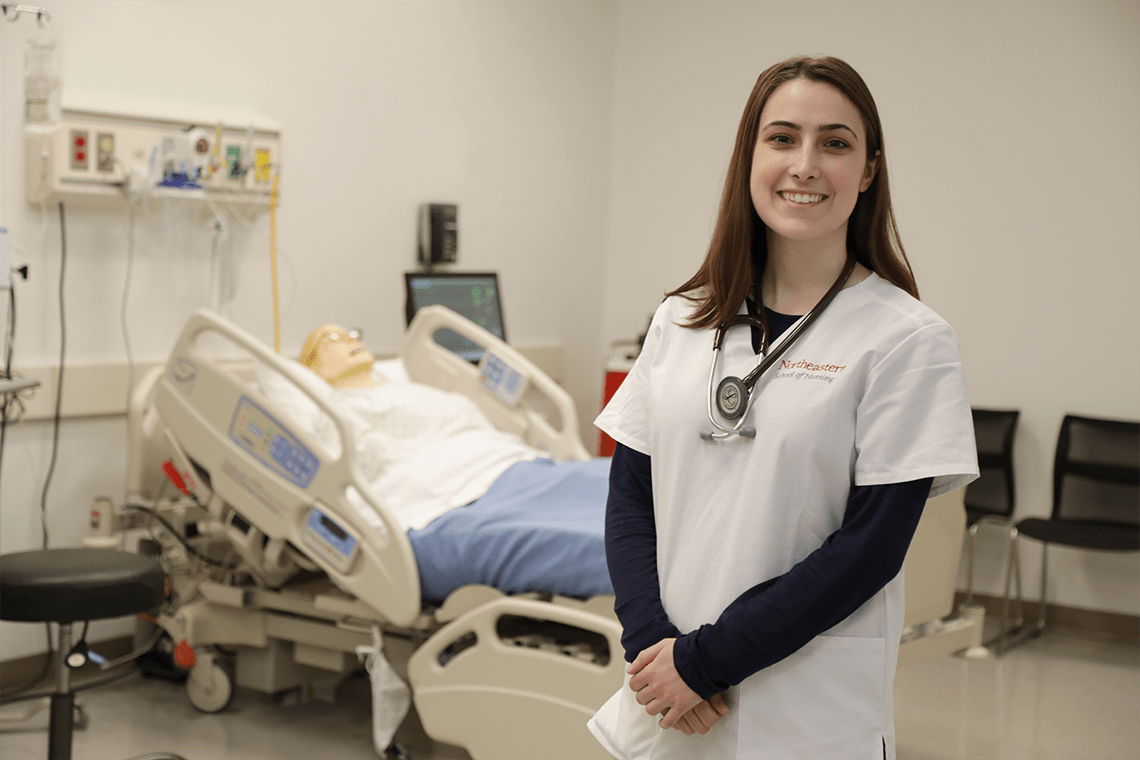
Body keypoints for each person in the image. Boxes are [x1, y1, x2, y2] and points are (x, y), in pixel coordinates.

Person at [587, 56, 978, 760]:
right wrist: (654, 647)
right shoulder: (681, 320)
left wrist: (704, 662)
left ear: (867, 171)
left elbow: (870, 552)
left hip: (803, 715)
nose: (804, 164)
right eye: (781, 138)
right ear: (749, 158)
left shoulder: (907, 340)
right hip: (671, 703)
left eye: (834, 143)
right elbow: (629, 499)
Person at [295, 323, 613, 602]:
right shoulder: (334, 414)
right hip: (440, 502)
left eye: (350, 333)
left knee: (632, 484)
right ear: (313, 367)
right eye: (331, 338)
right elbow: (359, 474)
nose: (350, 339)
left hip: (512, 469)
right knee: (620, 540)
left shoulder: (417, 392)